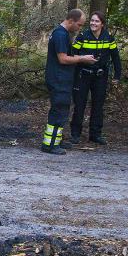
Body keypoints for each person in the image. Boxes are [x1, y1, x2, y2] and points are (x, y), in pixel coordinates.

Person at [41, 9, 98, 155]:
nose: (80, 28)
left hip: (62, 79)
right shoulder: (60, 34)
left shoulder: (63, 33)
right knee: (59, 110)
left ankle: (56, 140)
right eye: (79, 25)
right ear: (71, 21)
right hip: (58, 79)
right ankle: (50, 145)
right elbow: (63, 58)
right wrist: (82, 58)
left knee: (62, 110)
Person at [69, 11, 122, 145]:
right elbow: (72, 54)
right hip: (83, 75)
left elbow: (115, 57)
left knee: (98, 105)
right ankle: (75, 134)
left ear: (102, 24)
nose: (93, 23)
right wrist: (82, 60)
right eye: (92, 20)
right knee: (79, 105)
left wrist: (117, 75)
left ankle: (95, 134)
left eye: (97, 21)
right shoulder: (83, 36)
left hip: (100, 76)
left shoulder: (108, 37)